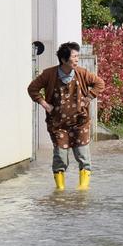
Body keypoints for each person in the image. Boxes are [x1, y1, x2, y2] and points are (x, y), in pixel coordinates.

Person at [27, 42, 104, 190]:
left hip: (80, 122)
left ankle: (83, 189)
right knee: (60, 157)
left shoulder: (82, 73)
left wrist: (88, 98)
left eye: (77, 56)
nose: (77, 59)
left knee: (83, 156)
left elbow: (99, 84)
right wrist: (44, 104)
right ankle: (60, 190)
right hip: (58, 124)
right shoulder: (49, 74)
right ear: (63, 60)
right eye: (74, 56)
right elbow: (32, 89)